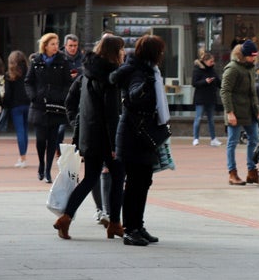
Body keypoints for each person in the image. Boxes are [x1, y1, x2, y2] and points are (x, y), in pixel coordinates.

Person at [52, 35, 126, 240]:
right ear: (114, 52)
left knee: (90, 178)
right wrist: (115, 144)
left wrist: (78, 124)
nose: (123, 53)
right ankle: (115, 223)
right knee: (118, 176)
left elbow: (70, 100)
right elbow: (111, 114)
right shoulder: (110, 76)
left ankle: (66, 217)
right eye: (121, 49)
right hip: (105, 137)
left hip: (89, 135)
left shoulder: (87, 73)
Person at [110, 34, 170, 246]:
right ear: (152, 53)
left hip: (143, 133)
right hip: (134, 135)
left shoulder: (150, 71)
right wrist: (143, 88)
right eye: (159, 51)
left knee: (143, 181)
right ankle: (130, 229)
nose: (162, 55)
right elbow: (134, 94)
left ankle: (138, 225)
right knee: (135, 183)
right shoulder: (138, 72)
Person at [25, 33, 73, 183]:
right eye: (52, 44)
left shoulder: (62, 61)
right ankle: (41, 164)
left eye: (57, 43)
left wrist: (62, 96)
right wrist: (33, 96)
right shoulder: (36, 61)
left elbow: (68, 82)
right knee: (40, 140)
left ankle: (47, 170)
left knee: (53, 139)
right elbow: (28, 81)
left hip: (55, 105)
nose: (55, 46)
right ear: (45, 46)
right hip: (39, 105)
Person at [221, 40, 259, 185]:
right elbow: (225, 91)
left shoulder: (250, 68)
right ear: (244, 55)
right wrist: (230, 112)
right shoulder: (232, 68)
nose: (254, 58)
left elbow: (252, 92)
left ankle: (252, 172)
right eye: (252, 56)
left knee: (254, 140)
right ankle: (232, 173)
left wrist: (257, 110)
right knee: (232, 142)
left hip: (249, 112)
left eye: (255, 56)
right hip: (236, 112)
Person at [4, 50, 31, 168]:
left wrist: (6, 104)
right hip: (28, 104)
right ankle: (23, 156)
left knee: (20, 131)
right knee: (25, 131)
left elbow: (8, 94)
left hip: (15, 106)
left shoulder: (9, 75)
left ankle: (22, 157)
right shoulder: (29, 72)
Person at [191, 50, 221, 147]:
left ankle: (213, 139)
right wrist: (205, 81)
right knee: (198, 118)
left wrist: (222, 85)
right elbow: (194, 83)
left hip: (211, 98)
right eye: (211, 61)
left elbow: (218, 82)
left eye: (213, 61)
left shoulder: (212, 70)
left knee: (211, 119)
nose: (213, 63)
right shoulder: (198, 69)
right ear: (205, 61)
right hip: (201, 98)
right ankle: (196, 138)